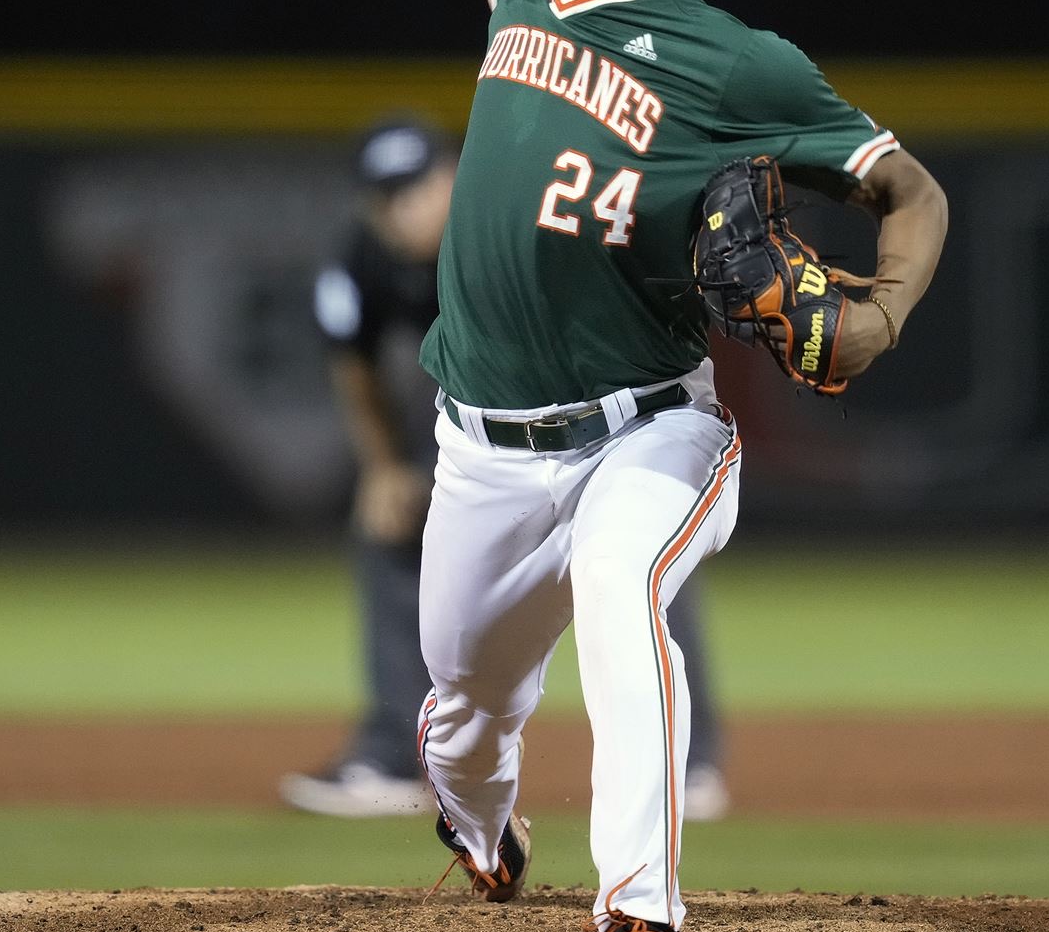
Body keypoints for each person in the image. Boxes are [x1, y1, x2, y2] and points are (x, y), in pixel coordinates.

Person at [413, 0, 947, 932]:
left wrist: (876, 317)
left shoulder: (737, 61)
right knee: (458, 721)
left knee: (619, 591)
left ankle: (644, 931)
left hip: (647, 432)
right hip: (478, 450)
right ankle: (484, 834)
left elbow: (911, 189)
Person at [278, 115, 732, 820]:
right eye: (390, 195)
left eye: (421, 185)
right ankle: (394, 759)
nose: (409, 208)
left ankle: (691, 761)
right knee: (390, 528)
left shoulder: (510, 224)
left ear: (453, 175)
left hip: (590, 409)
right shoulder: (363, 257)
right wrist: (384, 467)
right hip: (477, 432)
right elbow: (356, 366)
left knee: (641, 554)